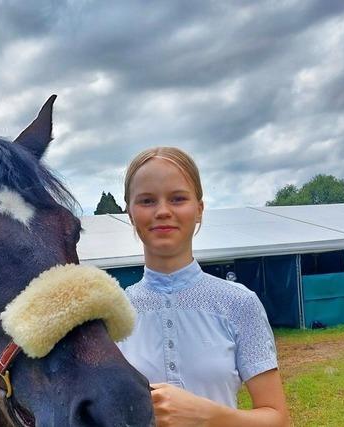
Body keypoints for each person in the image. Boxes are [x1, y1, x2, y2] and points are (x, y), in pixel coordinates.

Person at [117, 147, 289, 426]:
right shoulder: (115, 314)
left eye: (178, 198)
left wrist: (209, 416)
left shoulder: (239, 303)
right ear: (130, 214)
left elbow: (278, 418)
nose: (162, 211)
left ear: (199, 210)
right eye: (147, 201)